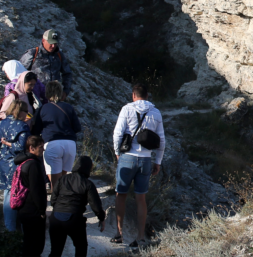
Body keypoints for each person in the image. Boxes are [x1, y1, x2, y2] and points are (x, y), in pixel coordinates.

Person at [112, 82, 166, 248]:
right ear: (147, 96)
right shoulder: (155, 112)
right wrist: (157, 161)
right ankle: (140, 237)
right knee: (140, 199)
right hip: (145, 159)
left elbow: (118, 133)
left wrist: (117, 152)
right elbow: (161, 140)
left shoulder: (127, 109)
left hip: (128, 157)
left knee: (121, 195)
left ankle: (119, 234)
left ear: (133, 95)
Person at [49, 156, 106, 257]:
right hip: (74, 219)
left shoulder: (62, 179)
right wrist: (101, 218)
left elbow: (53, 199)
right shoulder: (88, 184)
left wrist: (58, 210)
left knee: (55, 251)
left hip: (56, 218)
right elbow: (96, 205)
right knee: (81, 247)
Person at [33, 80, 83, 189]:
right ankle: (63, 200)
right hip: (70, 144)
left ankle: (58, 202)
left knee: (55, 183)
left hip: (52, 143)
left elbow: (36, 130)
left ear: (47, 93)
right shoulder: (69, 107)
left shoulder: (43, 109)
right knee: (63, 179)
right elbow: (77, 128)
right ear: (60, 92)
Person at [0, 100, 30, 231]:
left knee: (7, 192)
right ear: (20, 111)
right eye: (26, 111)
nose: (27, 114)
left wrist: (5, 144)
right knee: (15, 195)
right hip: (16, 163)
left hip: (3, 161)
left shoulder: (1, 123)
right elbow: (22, 146)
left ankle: (9, 224)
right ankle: (11, 228)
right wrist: (11, 144)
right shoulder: (22, 126)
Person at [15, 135, 48, 257]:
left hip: (23, 208)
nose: (43, 150)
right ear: (31, 148)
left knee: (28, 242)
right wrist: (41, 210)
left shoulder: (23, 162)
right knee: (36, 245)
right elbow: (36, 190)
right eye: (40, 147)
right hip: (33, 210)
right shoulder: (33, 165)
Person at [21, 29, 73, 96]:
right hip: (35, 97)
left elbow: (67, 74)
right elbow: (20, 74)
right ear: (43, 41)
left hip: (54, 97)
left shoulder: (60, 55)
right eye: (51, 43)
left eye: (55, 43)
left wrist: (65, 92)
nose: (53, 46)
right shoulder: (32, 54)